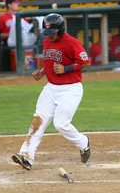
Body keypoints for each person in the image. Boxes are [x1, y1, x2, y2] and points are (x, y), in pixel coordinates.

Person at [12, 13, 91, 170]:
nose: (50, 37)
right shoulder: (47, 41)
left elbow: (85, 62)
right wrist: (42, 72)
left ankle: (83, 143)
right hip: (51, 88)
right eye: (47, 33)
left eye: (52, 33)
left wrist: (66, 68)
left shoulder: (72, 43)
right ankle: (26, 156)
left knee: (61, 124)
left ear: (60, 30)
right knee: (38, 121)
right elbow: (50, 61)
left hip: (71, 89)